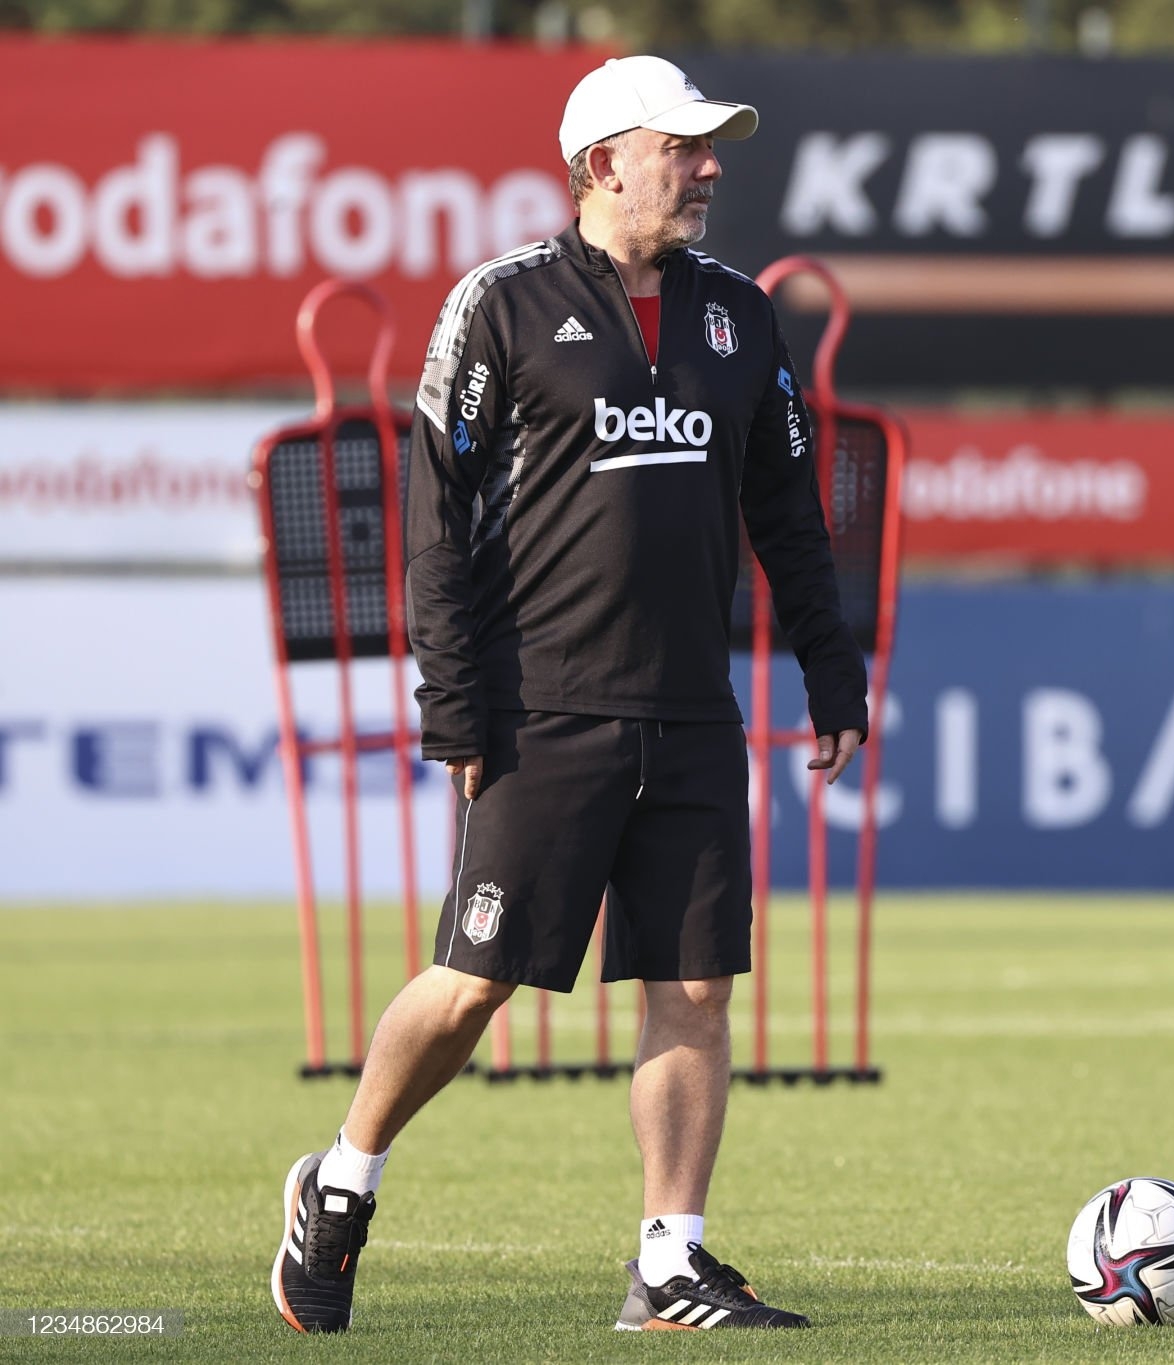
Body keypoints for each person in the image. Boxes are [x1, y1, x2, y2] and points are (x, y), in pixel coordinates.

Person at [269, 55, 868, 1334]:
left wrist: (830, 664)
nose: (709, 168)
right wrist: (457, 705)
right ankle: (342, 1178)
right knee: (474, 984)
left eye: (712, 150)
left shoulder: (740, 317)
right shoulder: (498, 306)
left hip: (694, 712)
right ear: (602, 161)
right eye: (683, 148)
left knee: (694, 987)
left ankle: (668, 1262)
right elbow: (438, 526)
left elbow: (787, 512)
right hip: (545, 711)